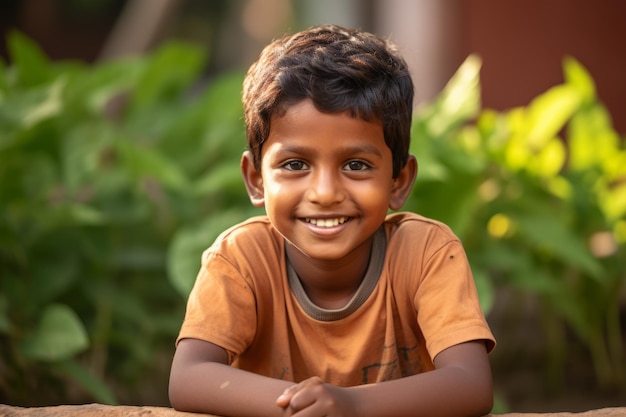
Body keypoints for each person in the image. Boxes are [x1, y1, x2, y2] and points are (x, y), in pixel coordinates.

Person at [169, 24, 496, 417]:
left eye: (356, 165)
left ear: (399, 180)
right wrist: (310, 408)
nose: (324, 193)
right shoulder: (241, 260)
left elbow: (470, 384)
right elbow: (189, 376)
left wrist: (350, 405)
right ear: (256, 180)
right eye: (295, 164)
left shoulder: (425, 253)